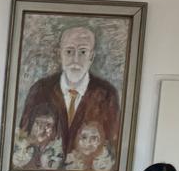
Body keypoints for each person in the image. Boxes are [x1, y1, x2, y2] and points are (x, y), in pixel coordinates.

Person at [17, 25, 123, 162]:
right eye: (69, 51)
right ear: (59, 54)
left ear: (91, 56)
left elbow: (112, 148)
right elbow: (23, 140)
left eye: (83, 52)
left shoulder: (107, 95)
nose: (75, 60)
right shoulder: (40, 90)